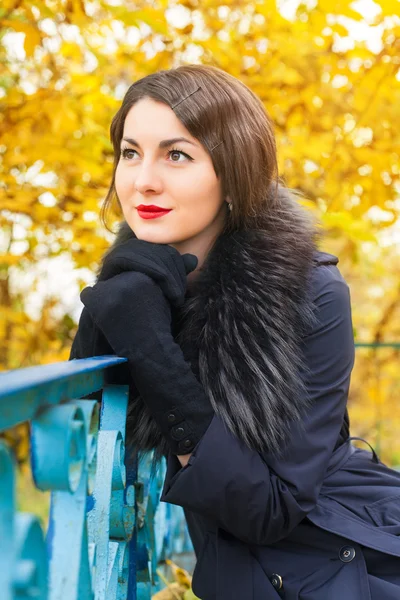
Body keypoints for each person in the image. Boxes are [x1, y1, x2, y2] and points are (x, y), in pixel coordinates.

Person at [69, 64, 400, 599]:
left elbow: (271, 509)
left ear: (232, 173)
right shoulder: (143, 282)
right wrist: (116, 292)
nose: (142, 180)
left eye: (177, 155)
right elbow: (86, 422)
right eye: (130, 153)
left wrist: (153, 349)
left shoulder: (310, 294)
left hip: (350, 566)